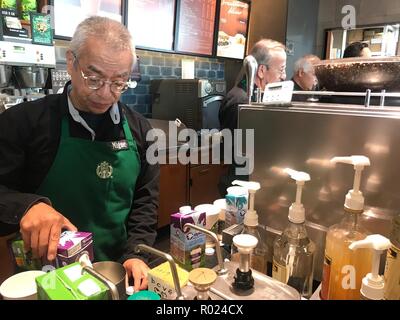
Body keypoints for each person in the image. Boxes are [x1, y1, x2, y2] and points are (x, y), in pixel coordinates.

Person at [0, 17, 159, 292]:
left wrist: (137, 253)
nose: (106, 93)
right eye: (94, 79)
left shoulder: (141, 130)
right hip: (44, 279)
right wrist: (25, 205)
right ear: (70, 61)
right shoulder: (22, 123)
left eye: (119, 82)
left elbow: (145, 201)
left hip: (115, 274)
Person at [218, 39, 287, 196]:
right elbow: (242, 152)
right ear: (261, 70)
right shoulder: (241, 101)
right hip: (241, 187)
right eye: (281, 70)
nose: (283, 76)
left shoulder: (256, 97)